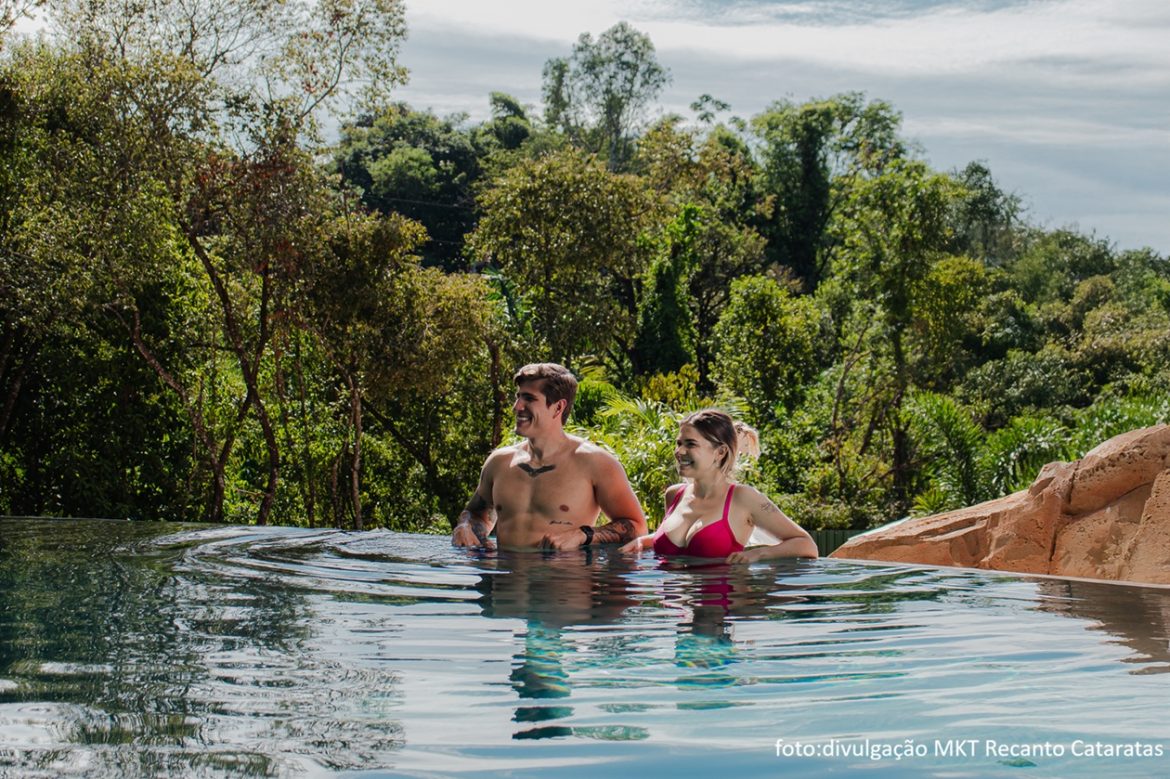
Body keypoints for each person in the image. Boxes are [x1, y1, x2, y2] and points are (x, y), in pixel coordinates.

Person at [452, 363, 648, 550]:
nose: (517, 406)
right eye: (518, 397)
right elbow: (477, 514)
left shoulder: (595, 463)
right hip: (506, 581)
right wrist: (465, 526)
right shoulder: (499, 462)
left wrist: (583, 535)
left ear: (558, 407)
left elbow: (638, 528)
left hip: (561, 580)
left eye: (529, 398)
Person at [619, 409, 818, 563]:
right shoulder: (675, 495)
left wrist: (759, 554)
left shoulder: (743, 498)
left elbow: (806, 545)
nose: (678, 451)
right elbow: (679, 542)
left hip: (722, 611)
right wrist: (642, 542)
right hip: (676, 612)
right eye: (678, 443)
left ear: (720, 452)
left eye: (690, 444)